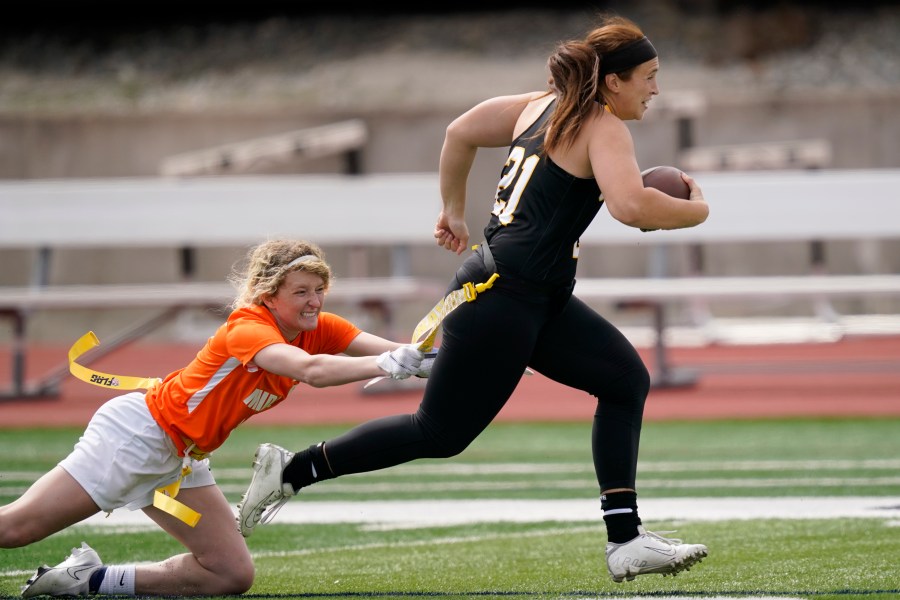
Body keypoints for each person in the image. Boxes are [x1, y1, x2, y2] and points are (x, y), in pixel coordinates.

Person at [238, 14, 711, 584]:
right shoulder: (602, 125)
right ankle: (292, 469)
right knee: (438, 433)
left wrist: (452, 209)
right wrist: (697, 210)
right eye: (649, 76)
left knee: (624, 381)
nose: (655, 88)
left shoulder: (540, 105)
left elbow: (459, 131)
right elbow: (631, 207)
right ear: (613, 81)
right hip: (502, 297)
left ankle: (625, 539)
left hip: (534, 295)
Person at [1, 239, 427, 597]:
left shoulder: (318, 326)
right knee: (16, 530)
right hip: (137, 437)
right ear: (268, 292)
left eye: (319, 289)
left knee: (229, 573)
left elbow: (398, 350)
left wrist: (443, 356)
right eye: (300, 291)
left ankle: (87, 579)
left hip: (179, 459)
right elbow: (312, 370)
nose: (314, 301)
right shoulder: (248, 326)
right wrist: (387, 364)